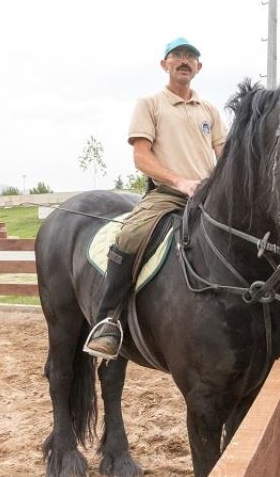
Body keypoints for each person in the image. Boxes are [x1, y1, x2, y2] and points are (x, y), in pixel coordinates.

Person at [84, 37, 226, 358]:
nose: (184, 60)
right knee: (130, 236)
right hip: (167, 195)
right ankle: (108, 319)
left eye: (191, 56)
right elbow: (142, 158)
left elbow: (225, 155)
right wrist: (180, 181)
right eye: (177, 55)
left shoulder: (210, 111)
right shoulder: (150, 104)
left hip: (207, 197)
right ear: (165, 65)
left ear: (199, 67)